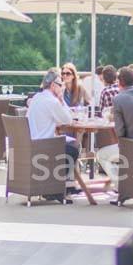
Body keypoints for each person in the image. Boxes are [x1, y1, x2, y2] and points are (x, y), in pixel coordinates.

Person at [96, 66, 133, 186]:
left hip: (132, 148)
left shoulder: (118, 99)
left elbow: (120, 132)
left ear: (120, 82)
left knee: (101, 155)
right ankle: (130, 182)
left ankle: (121, 186)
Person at [27, 69, 80, 204]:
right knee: (73, 148)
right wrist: (62, 100)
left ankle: (65, 186)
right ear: (52, 85)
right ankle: (55, 189)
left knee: (71, 143)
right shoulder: (52, 101)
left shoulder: (37, 98)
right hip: (44, 147)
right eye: (60, 84)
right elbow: (68, 119)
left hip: (30, 144)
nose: (62, 86)